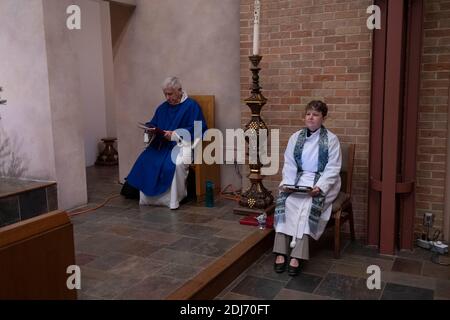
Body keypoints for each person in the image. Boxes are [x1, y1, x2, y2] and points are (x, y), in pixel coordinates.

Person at [273, 100, 341, 276]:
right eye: (308, 114)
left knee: (308, 205)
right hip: (299, 180)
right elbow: (289, 163)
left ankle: (297, 255)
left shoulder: (331, 140)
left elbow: (333, 168)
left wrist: (320, 187)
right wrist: (288, 184)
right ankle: (280, 251)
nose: (311, 117)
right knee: (285, 202)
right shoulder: (296, 137)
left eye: (316, 114)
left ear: (323, 118)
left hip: (323, 180)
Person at [122, 76, 207, 209]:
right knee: (146, 159)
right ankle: (148, 199)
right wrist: (150, 128)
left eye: (170, 94)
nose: (167, 97)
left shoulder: (191, 106)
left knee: (176, 163)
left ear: (179, 90)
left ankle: (173, 200)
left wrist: (174, 134)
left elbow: (199, 128)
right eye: (165, 94)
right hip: (161, 146)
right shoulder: (162, 107)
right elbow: (154, 122)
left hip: (181, 145)